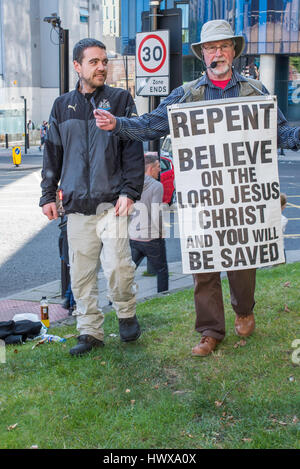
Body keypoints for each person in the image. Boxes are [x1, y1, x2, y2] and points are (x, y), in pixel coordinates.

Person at [94, 20, 300, 357]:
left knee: (242, 262)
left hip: (242, 194)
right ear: (202, 54)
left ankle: (244, 308)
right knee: (204, 265)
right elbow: (150, 125)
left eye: (223, 46)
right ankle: (210, 330)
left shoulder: (254, 91)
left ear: (233, 51)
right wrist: (118, 124)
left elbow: (280, 133)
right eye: (210, 47)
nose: (216, 53)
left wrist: (298, 135)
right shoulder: (186, 95)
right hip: (202, 196)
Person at [40, 38, 145, 356]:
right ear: (77, 66)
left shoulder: (121, 99)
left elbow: (133, 148)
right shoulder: (61, 105)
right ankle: (90, 330)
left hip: (111, 203)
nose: (102, 67)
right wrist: (47, 194)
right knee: (82, 274)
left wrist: (131, 191)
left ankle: (126, 314)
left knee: (118, 267)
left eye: (104, 61)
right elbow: (52, 153)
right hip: (75, 207)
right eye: (94, 62)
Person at [129, 153, 169, 293]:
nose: (160, 170)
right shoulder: (156, 186)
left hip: (134, 236)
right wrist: (161, 233)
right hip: (151, 238)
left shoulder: (133, 184)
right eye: (158, 167)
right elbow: (155, 212)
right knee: (162, 270)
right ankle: (163, 297)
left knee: (127, 272)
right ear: (150, 168)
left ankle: (115, 301)